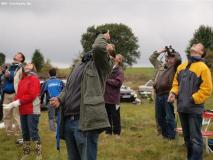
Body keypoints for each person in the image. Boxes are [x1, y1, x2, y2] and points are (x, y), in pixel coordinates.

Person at [50, 30, 115, 160]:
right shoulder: (80, 64)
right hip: (68, 120)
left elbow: (97, 47)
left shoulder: (102, 65)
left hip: (84, 121)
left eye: (107, 46)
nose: (104, 45)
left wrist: (103, 37)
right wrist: (59, 99)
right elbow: (68, 87)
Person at [168, 43, 212, 160]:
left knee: (196, 140)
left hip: (194, 109)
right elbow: (176, 84)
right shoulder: (181, 67)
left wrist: (192, 99)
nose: (194, 45)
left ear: (201, 52)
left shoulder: (203, 68)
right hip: (182, 109)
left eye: (197, 45)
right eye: (193, 44)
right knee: (187, 139)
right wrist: (173, 93)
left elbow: (207, 89)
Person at [3, 63, 42, 160]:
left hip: (32, 109)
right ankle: (26, 153)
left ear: (33, 68)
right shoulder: (22, 80)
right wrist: (13, 103)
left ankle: (38, 154)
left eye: (30, 65)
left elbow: (32, 95)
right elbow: (19, 95)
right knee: (25, 133)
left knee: (33, 132)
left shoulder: (34, 79)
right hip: (23, 109)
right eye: (26, 66)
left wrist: (17, 102)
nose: (27, 66)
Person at [149, 47, 182, 140]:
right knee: (159, 117)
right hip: (158, 94)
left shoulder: (176, 68)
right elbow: (152, 58)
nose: (168, 59)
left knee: (169, 117)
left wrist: (173, 52)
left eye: (171, 57)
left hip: (169, 95)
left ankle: (171, 137)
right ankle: (164, 136)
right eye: (167, 57)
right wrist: (161, 51)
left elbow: (179, 60)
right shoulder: (160, 66)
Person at [2, 52, 25, 137]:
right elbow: (5, 78)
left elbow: (20, 80)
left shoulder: (21, 68)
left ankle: (18, 133)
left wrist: (7, 74)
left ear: (21, 59)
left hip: (16, 94)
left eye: (17, 55)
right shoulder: (10, 66)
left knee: (16, 115)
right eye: (15, 54)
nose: (15, 56)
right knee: (6, 114)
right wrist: (4, 72)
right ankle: (9, 132)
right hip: (6, 94)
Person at [104, 54, 124, 137]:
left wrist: (107, 80)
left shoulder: (120, 71)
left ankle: (117, 133)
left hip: (114, 98)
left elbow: (118, 83)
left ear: (119, 60)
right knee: (107, 115)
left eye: (116, 57)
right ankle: (108, 132)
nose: (114, 57)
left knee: (115, 116)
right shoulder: (110, 68)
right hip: (106, 97)